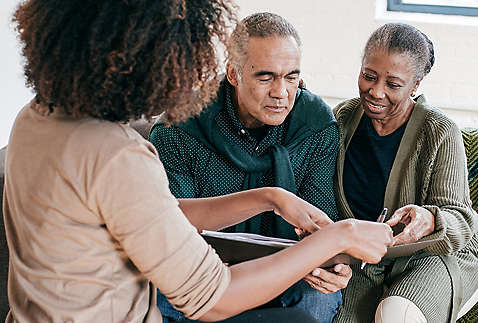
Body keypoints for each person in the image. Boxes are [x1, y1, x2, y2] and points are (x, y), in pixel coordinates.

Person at [3, 1, 396, 322]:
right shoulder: (119, 157)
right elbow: (213, 298)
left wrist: (271, 197)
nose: (183, 72)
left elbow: (161, 212)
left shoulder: (37, 117)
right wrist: (342, 234)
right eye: (174, 56)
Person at [331, 23, 478, 323]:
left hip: (439, 251)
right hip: (371, 258)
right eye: (369, 76)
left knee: (395, 314)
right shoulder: (343, 118)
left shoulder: (439, 131)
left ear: (415, 85)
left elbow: (459, 215)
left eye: (393, 84)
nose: (376, 91)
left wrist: (430, 218)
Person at [150, 12, 348, 323]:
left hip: (285, 274)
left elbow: (319, 222)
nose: (281, 93)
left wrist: (331, 268)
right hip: (202, 272)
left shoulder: (316, 124)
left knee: (319, 299)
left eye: (291, 77)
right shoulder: (180, 127)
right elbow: (173, 231)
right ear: (233, 73)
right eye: (265, 77)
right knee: (159, 295)